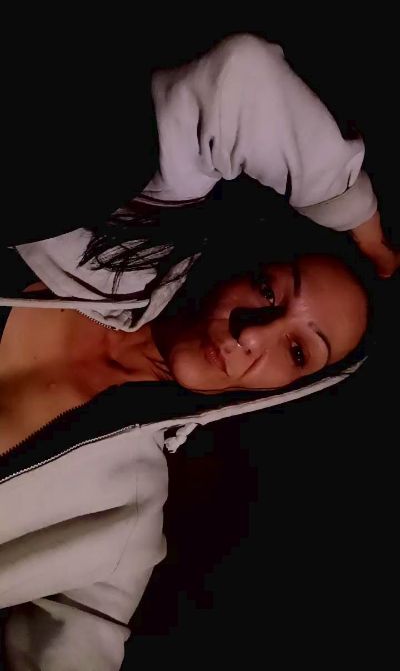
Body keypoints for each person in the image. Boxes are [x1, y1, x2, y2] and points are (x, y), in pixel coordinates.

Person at [0, 33, 397, 669]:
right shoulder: (114, 238)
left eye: (298, 351)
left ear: (289, 389)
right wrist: (358, 217)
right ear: (245, 262)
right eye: (268, 289)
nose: (252, 334)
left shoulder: (124, 521)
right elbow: (240, 78)